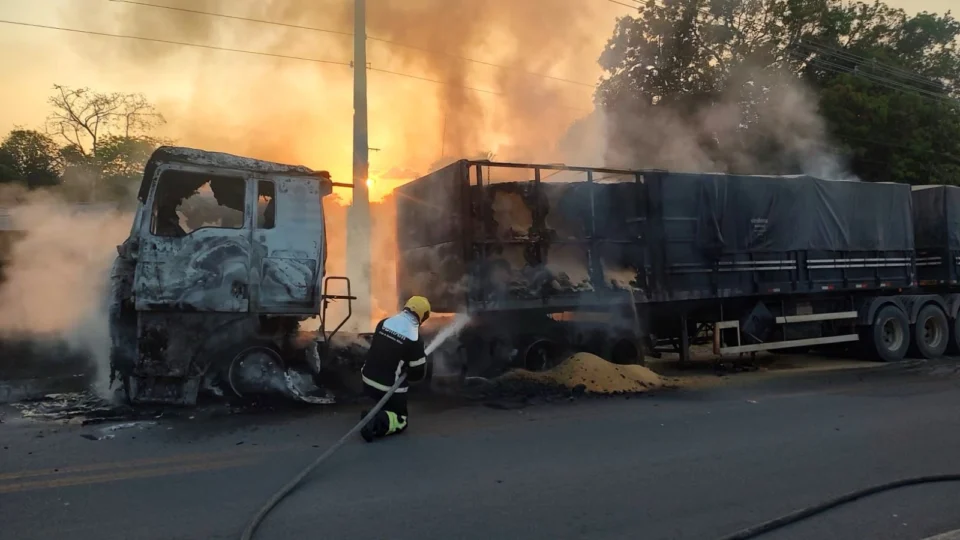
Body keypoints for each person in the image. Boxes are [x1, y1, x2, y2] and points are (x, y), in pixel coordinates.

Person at [359, 296, 431, 442]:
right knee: (401, 420)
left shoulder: (384, 323)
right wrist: (409, 368)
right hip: (388, 388)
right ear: (423, 316)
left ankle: (377, 410)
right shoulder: (414, 338)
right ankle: (376, 423)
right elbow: (417, 373)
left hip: (366, 379)